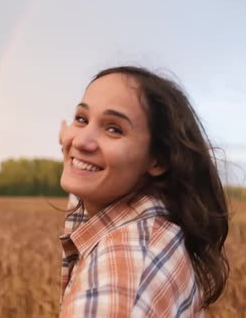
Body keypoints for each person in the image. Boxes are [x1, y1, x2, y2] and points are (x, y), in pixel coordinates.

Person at [57, 66, 229, 317]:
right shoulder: (158, 223)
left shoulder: (114, 288)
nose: (81, 141)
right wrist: (68, 142)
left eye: (114, 129)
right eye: (81, 119)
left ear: (158, 160)